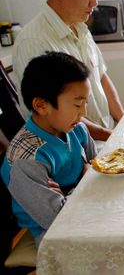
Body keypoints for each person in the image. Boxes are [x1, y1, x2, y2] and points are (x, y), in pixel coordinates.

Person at [12, 0, 124, 141]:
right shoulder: (34, 41)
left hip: (107, 135)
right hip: (79, 148)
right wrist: (110, 137)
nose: (95, 3)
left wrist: (123, 123)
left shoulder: (81, 28)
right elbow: (56, 113)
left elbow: (102, 77)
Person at [1, 51, 97, 247]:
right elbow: (58, 220)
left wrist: (86, 178)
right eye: (78, 104)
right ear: (41, 105)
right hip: (52, 234)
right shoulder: (27, 159)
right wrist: (85, 180)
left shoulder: (76, 129)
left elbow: (98, 168)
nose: (84, 113)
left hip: (82, 206)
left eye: (85, 103)